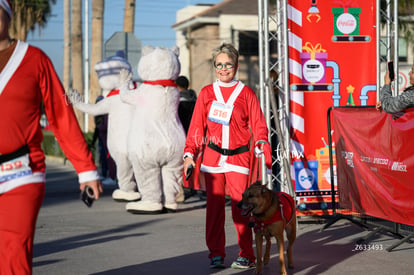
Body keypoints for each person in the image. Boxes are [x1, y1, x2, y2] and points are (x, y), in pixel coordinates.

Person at [0, 2, 102, 274]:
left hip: (21, 170)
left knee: (12, 249)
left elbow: (61, 115)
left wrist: (86, 169)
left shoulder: (34, 59)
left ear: (7, 15)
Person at [183, 43, 272, 269]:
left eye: (228, 64)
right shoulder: (206, 93)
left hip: (238, 159)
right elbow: (196, 127)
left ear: (236, 65)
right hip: (213, 159)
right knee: (213, 210)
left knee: (241, 208)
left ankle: (246, 254)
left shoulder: (246, 93)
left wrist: (262, 142)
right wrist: (189, 153)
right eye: (219, 65)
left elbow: (259, 124)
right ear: (215, 67)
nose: (224, 69)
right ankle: (216, 252)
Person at [90, 96, 117, 184]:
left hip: (109, 138)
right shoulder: (98, 114)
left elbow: (105, 127)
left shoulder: (106, 114)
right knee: (103, 157)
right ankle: (105, 174)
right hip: (102, 138)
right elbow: (97, 129)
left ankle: (112, 177)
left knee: (109, 158)